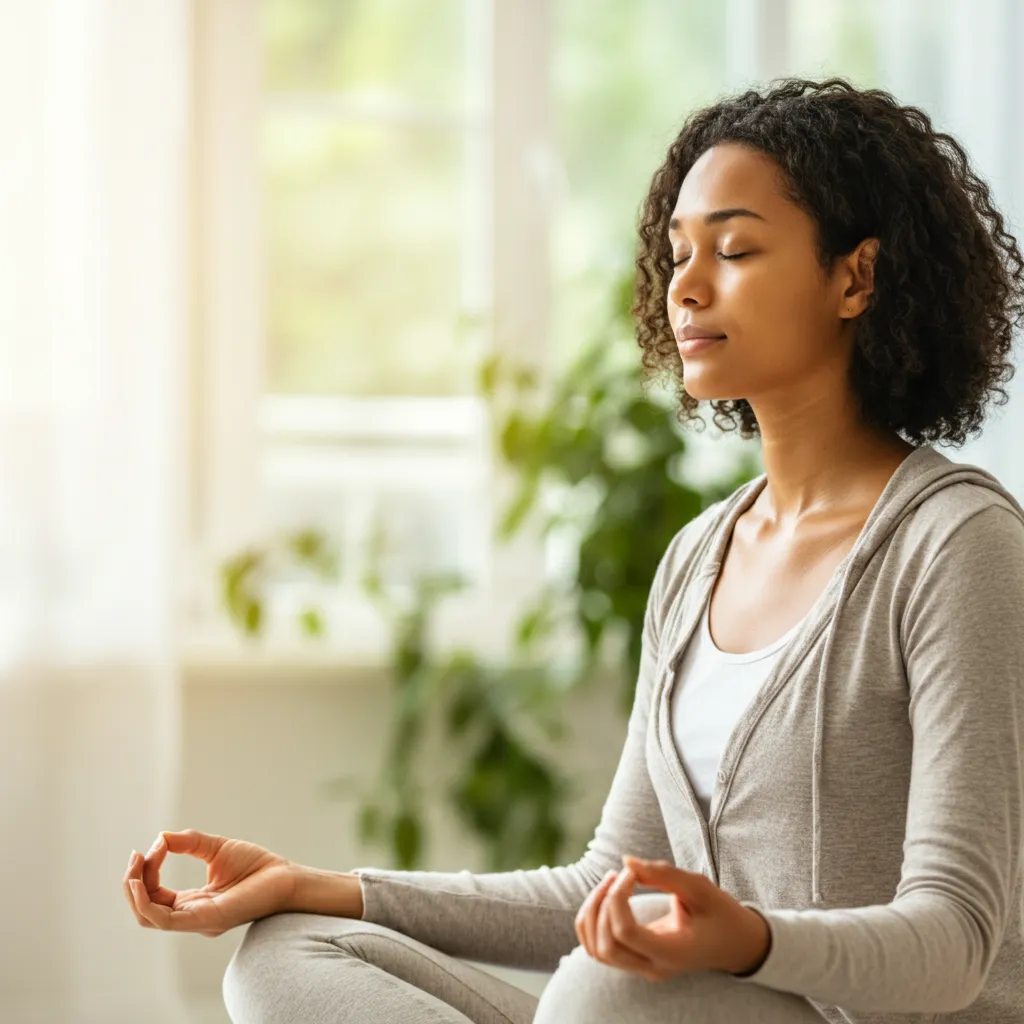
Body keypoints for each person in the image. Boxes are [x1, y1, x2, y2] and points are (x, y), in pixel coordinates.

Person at [122, 77, 1024, 1024]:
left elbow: (954, 943)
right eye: (677, 254)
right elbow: (599, 883)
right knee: (290, 952)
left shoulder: (958, 548)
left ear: (856, 278)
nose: (686, 284)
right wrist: (323, 884)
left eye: (736, 248)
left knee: (612, 990)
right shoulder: (697, 558)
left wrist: (745, 941)